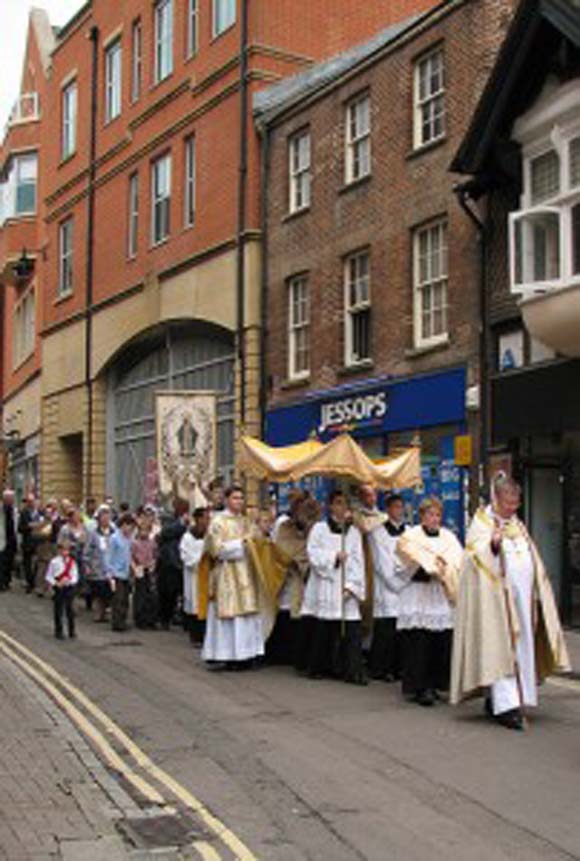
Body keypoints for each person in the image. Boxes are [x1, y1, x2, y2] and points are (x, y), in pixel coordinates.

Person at [451, 474, 570, 730]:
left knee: (522, 647)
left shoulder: (517, 525)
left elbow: (531, 560)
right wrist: (492, 546)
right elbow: (473, 559)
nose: (513, 508)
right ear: (496, 498)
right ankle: (507, 706)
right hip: (495, 603)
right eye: (508, 503)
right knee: (500, 649)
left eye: (516, 503)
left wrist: (537, 592)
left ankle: (511, 698)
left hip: (523, 602)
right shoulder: (481, 524)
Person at [395, 497, 464, 707]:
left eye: (437, 515)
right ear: (422, 516)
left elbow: (458, 561)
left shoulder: (449, 538)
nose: (434, 519)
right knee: (419, 643)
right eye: (430, 515)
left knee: (440, 642)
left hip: (439, 595)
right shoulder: (410, 537)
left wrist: (445, 569)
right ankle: (419, 687)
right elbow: (399, 565)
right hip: (419, 594)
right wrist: (423, 569)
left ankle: (436, 683)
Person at [301, 490, 366, 684]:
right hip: (326, 583)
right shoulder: (319, 529)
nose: (342, 507)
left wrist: (352, 585)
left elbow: (357, 560)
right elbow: (312, 554)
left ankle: (352, 670)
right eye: (338, 503)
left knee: (351, 629)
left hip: (345, 584)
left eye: (345, 503)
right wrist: (334, 557)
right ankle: (320, 666)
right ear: (330, 506)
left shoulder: (353, 532)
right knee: (325, 628)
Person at [202, 485, 264, 668]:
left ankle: (246, 654)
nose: (239, 501)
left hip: (246, 573)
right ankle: (227, 655)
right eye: (235, 498)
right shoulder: (218, 521)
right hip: (226, 574)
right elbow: (216, 549)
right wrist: (242, 544)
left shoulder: (246, 521)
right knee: (229, 616)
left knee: (246, 615)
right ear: (227, 499)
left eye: (241, 498)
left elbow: (257, 541)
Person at [269, 493, 320, 666]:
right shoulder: (284, 527)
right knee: (287, 613)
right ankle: (281, 654)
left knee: (304, 616)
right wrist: (294, 559)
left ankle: (301, 655)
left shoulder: (315, 528)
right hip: (289, 577)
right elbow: (281, 549)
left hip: (308, 578)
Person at [365, 493, 407, 682]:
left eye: (401, 507)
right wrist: (396, 581)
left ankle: (399, 667)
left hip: (406, 585)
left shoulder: (410, 532)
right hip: (387, 585)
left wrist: (406, 576)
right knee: (385, 631)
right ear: (388, 510)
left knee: (401, 632)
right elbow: (381, 562)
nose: (399, 511)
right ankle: (381, 668)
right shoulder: (378, 532)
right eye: (395, 507)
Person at [179, 507, 210, 646]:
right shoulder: (188, 536)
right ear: (197, 519)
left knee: (206, 605)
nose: (206, 521)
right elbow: (185, 555)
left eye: (207, 518)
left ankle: (206, 636)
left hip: (207, 575)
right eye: (204, 518)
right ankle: (195, 637)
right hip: (194, 574)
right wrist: (198, 560)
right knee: (194, 605)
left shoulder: (209, 535)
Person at [157, 499, 189, 630]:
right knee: (168, 593)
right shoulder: (168, 518)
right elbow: (165, 532)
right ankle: (165, 618)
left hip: (183, 562)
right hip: (170, 562)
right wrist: (182, 523)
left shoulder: (190, 521)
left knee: (184, 594)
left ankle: (183, 619)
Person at [83, 504, 116, 622]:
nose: (106, 520)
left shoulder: (114, 532)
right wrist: (87, 564)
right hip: (98, 567)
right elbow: (87, 550)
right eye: (103, 517)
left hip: (111, 567)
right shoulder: (93, 533)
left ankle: (107, 611)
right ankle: (99, 612)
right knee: (98, 590)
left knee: (110, 591)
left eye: (108, 517)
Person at [45, 537, 79, 640]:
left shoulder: (72, 562)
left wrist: (70, 581)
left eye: (67, 550)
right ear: (59, 550)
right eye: (63, 550)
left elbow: (75, 575)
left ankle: (71, 631)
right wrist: (55, 583)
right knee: (58, 610)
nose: (65, 552)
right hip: (58, 588)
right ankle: (58, 631)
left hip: (69, 588)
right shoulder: (54, 562)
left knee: (70, 610)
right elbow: (48, 576)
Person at [107, 513, 135, 632]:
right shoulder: (114, 538)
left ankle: (123, 620)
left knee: (125, 599)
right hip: (116, 572)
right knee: (118, 598)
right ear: (123, 525)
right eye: (128, 526)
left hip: (126, 572)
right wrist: (110, 573)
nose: (130, 529)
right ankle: (117, 622)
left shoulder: (129, 538)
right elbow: (109, 556)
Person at [131, 512, 159, 629]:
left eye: (146, 531)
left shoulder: (152, 543)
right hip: (139, 569)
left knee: (151, 595)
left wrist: (153, 564)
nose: (144, 533)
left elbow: (155, 555)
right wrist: (135, 567)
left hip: (149, 569)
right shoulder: (135, 543)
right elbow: (132, 557)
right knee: (140, 595)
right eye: (142, 530)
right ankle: (140, 619)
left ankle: (151, 619)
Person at [19, 494, 41, 593]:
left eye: (32, 501)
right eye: (29, 502)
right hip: (27, 543)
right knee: (27, 564)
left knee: (38, 563)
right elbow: (19, 529)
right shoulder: (24, 513)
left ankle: (35, 581)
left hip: (39, 543)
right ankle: (30, 583)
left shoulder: (41, 513)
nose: (31, 503)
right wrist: (29, 527)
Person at [0, 490, 18, 592]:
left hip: (12, 539)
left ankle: (7, 581)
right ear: (4, 499)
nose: (11, 500)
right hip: (2, 538)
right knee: (1, 562)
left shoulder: (14, 510)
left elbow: (16, 524)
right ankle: (1, 583)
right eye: (9, 498)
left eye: (12, 498)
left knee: (10, 562)